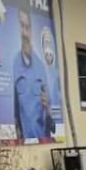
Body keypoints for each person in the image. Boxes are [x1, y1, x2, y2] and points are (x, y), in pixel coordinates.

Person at [12, 8, 54, 140]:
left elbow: (52, 123)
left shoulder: (41, 68)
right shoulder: (14, 65)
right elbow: (14, 113)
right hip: (23, 143)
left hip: (41, 140)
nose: (24, 32)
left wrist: (47, 109)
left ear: (31, 30)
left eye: (27, 27)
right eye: (21, 26)